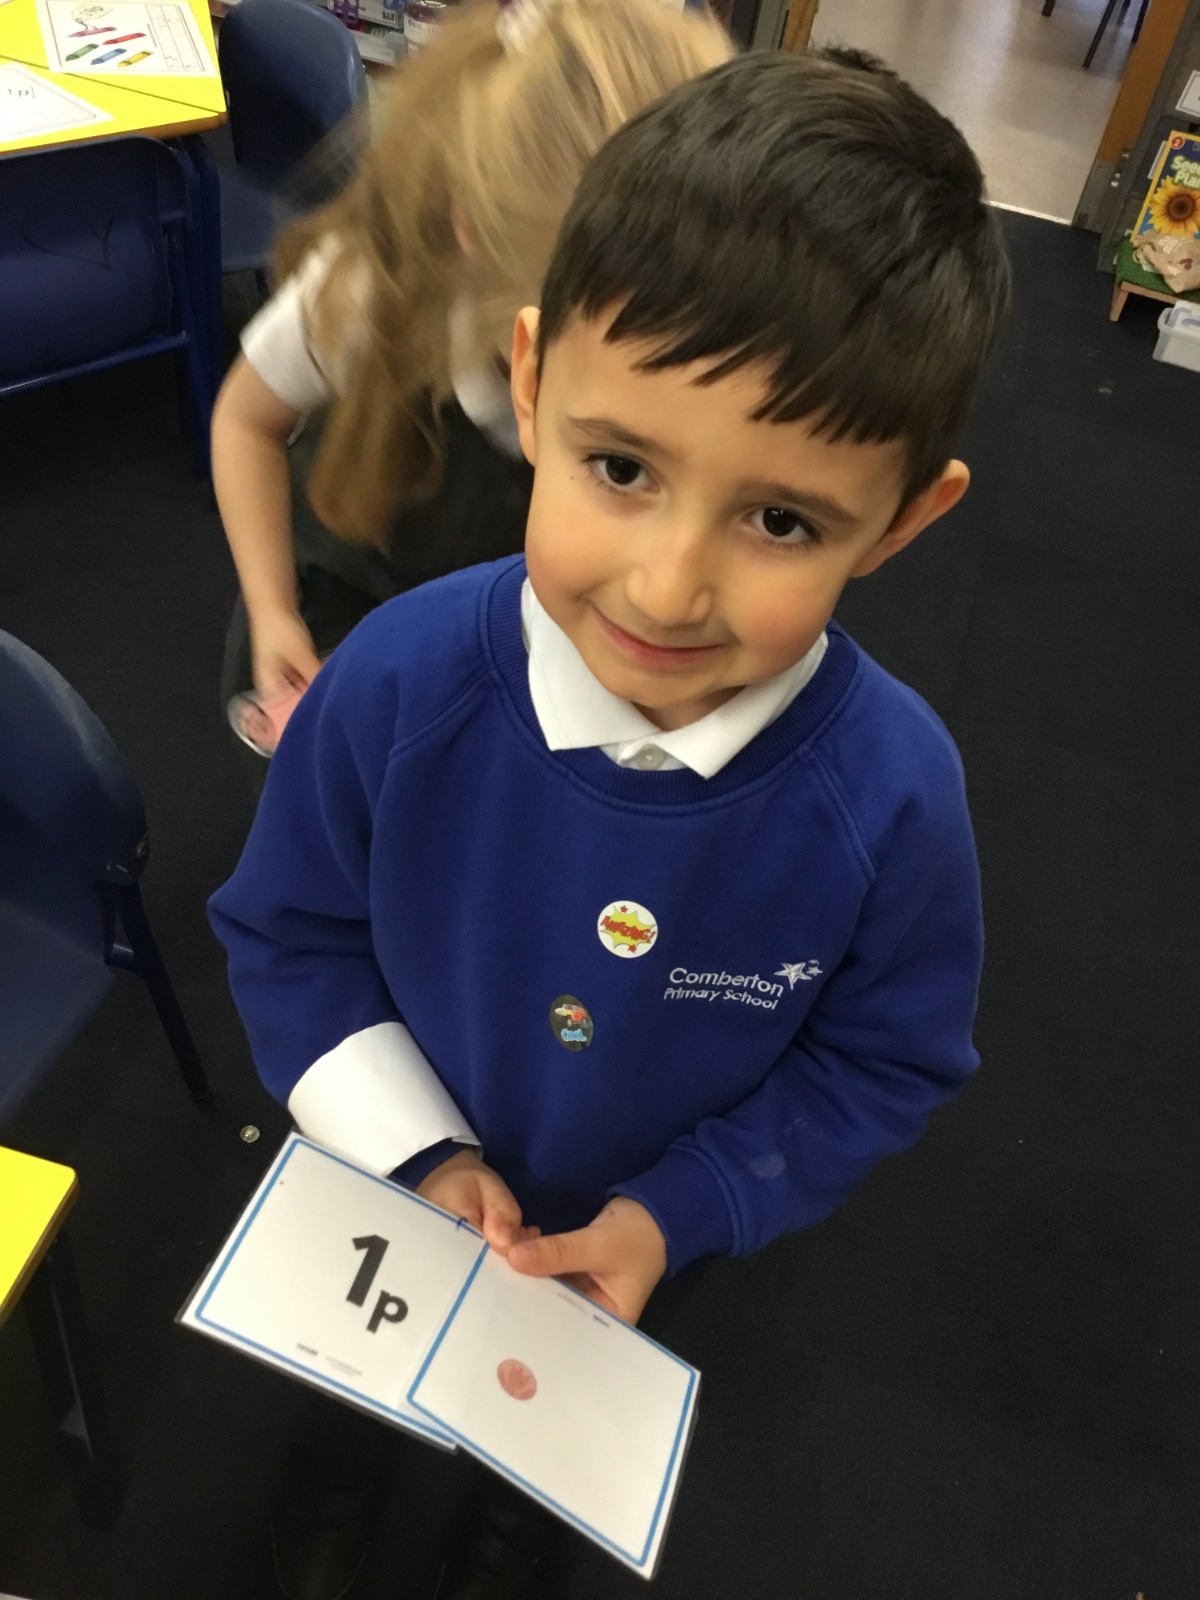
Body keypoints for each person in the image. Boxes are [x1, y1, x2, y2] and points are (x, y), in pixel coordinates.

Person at [210, 44, 1011, 1600]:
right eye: (621, 466)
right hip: (388, 1180)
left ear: (906, 518)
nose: (667, 586)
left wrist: (682, 1210)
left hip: (646, 1230)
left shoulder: (894, 800)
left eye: (781, 519)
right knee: (345, 1399)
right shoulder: (400, 681)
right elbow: (287, 935)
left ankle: (513, 1529)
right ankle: (330, 1494)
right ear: (529, 384)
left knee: (547, 1435)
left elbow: (885, 1056)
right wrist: (418, 1152)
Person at [210, 0, 731, 775]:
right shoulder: (370, 296)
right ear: (472, 236)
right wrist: (271, 608)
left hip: (516, 647)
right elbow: (244, 421)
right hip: (347, 613)